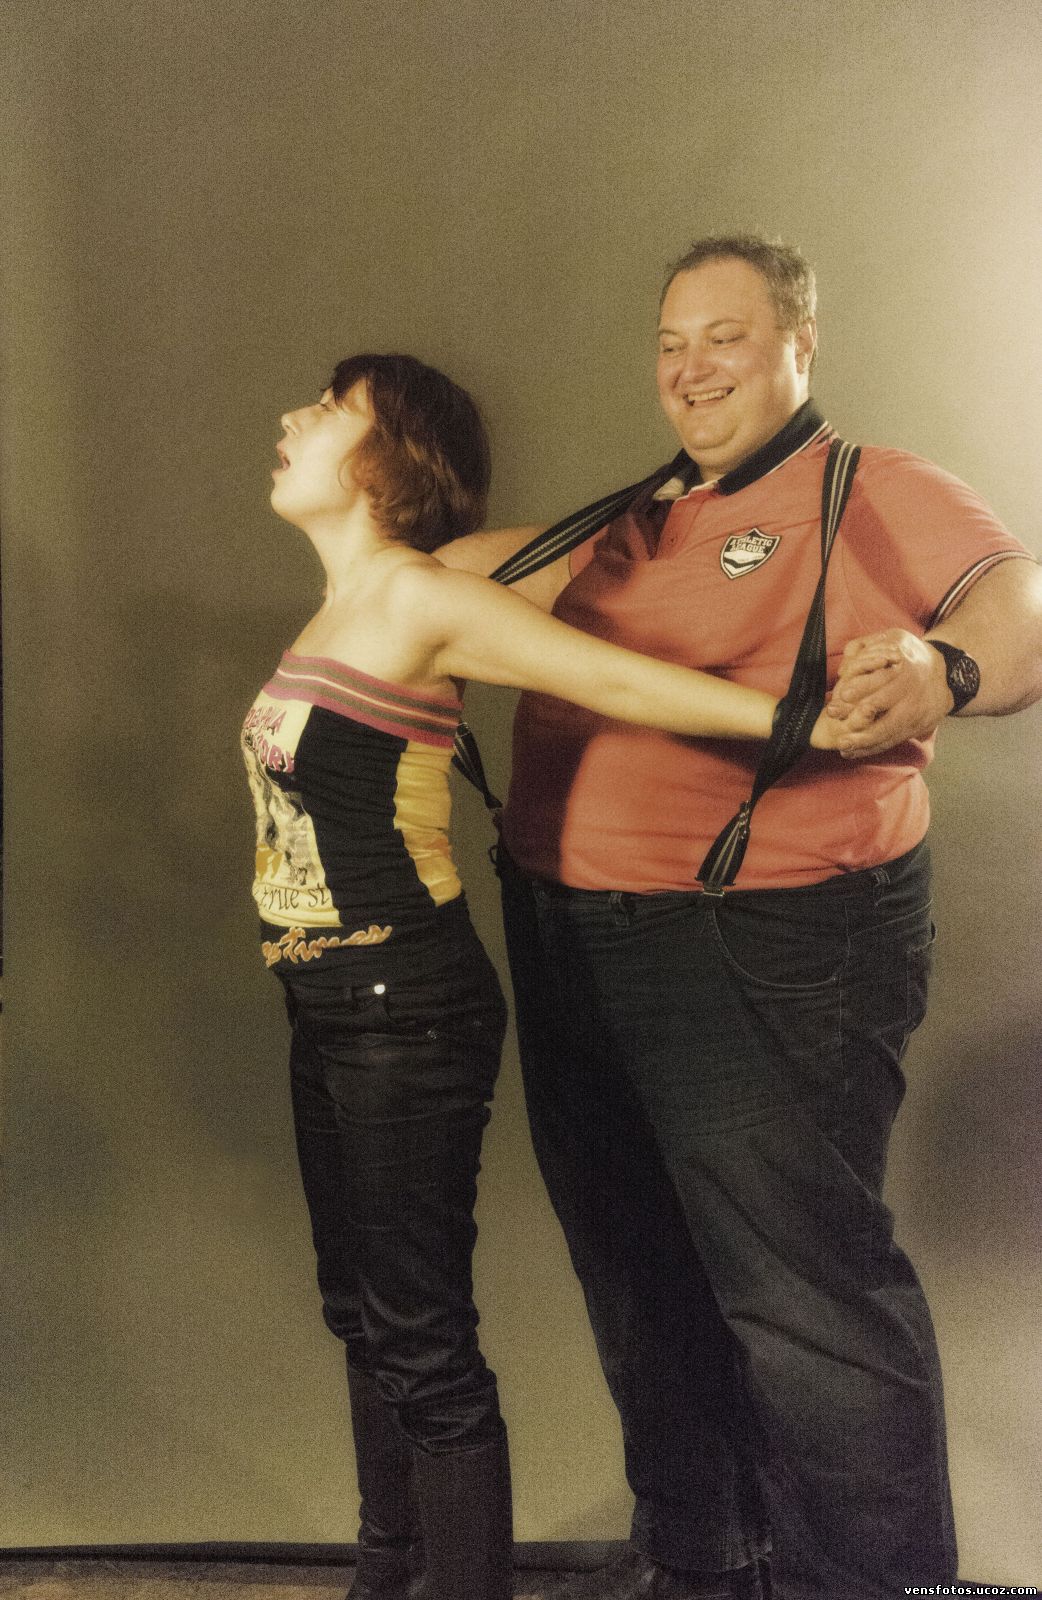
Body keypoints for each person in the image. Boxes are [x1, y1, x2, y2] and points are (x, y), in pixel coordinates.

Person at [439, 236, 1042, 1600]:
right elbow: (439, 581)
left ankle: (866, 1586)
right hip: (571, 939)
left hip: (760, 944)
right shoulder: (629, 522)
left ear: (797, 345)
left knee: (802, 1294)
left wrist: (943, 667)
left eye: (723, 335)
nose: (690, 367)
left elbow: (1017, 602)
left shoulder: (864, 489)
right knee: (638, 1276)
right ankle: (700, 1561)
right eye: (670, 342)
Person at [240, 352, 852, 1600]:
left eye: (333, 408)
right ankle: (387, 1572)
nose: (295, 416)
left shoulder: (421, 598)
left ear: (392, 460)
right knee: (361, 1312)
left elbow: (610, 675)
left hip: (402, 1011)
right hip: (325, 1002)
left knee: (422, 1340)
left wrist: (801, 717)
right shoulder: (349, 604)